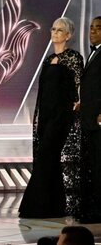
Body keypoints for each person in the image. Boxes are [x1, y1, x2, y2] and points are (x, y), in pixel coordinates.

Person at [19, 17, 84, 218]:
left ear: (68, 35)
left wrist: (79, 102)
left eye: (60, 30)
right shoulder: (48, 60)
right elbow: (43, 92)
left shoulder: (73, 57)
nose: (54, 32)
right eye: (53, 28)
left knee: (47, 155)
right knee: (50, 159)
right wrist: (38, 118)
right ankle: (54, 206)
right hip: (46, 116)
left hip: (61, 116)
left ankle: (36, 206)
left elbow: (80, 84)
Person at [79, 16, 101, 223]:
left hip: (99, 121)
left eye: (98, 28)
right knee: (92, 164)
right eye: (91, 28)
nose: (93, 31)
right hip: (89, 119)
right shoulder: (93, 54)